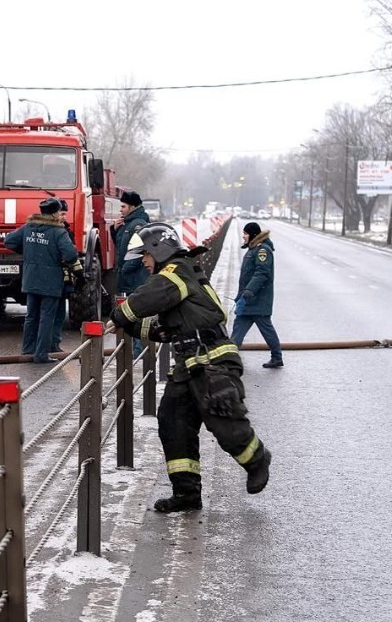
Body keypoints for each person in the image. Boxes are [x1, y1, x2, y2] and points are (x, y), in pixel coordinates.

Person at [110, 222, 272, 512]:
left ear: (160, 250)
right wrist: (132, 326)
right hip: (188, 363)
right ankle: (186, 494)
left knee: (223, 421)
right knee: (173, 423)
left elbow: (151, 296)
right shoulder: (176, 278)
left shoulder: (176, 271)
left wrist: (121, 313)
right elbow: (159, 325)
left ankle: (257, 458)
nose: (144, 261)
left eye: (146, 254)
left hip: (213, 360)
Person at [4, 197, 78, 364]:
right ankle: (41, 354)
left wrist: (27, 251)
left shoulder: (28, 227)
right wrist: (60, 259)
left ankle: (27, 350)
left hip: (31, 278)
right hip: (50, 281)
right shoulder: (59, 232)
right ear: (54, 213)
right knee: (46, 317)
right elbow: (71, 255)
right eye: (59, 212)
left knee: (31, 316)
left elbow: (8, 241)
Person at [231, 222, 283, 368]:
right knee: (237, 330)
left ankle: (277, 357)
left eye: (246, 233)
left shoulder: (262, 251)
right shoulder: (253, 249)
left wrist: (248, 293)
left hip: (258, 300)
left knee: (266, 329)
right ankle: (230, 358)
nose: (243, 236)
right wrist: (241, 296)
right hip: (247, 301)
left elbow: (262, 274)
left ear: (253, 235)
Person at [111, 190, 151, 356]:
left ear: (133, 207)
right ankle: (135, 348)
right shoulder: (127, 223)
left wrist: (125, 269)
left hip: (136, 277)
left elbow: (138, 252)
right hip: (129, 276)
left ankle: (138, 349)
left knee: (136, 312)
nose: (120, 209)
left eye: (123, 206)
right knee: (131, 311)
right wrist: (114, 231)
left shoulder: (138, 224)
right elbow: (121, 246)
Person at [51, 199, 84, 353]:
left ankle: (54, 343)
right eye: (62, 213)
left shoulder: (66, 231)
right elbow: (70, 255)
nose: (64, 217)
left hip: (64, 279)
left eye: (65, 214)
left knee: (57, 313)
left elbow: (73, 255)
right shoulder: (57, 232)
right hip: (57, 277)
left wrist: (79, 274)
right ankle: (51, 344)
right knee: (53, 313)